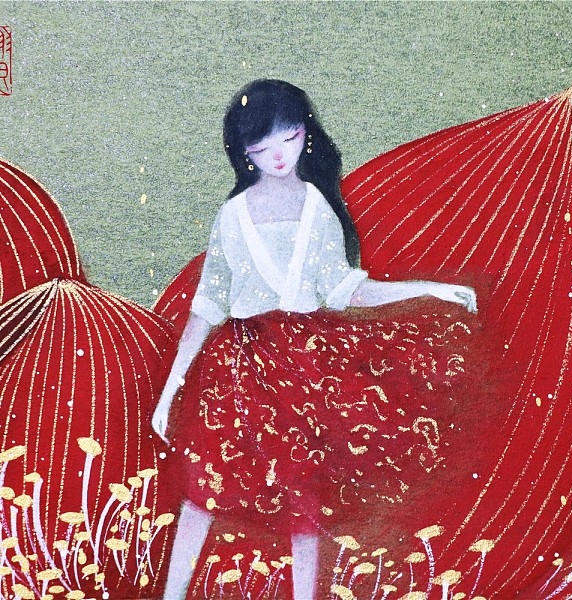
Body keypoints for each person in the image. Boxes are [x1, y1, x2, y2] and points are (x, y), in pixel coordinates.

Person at [151, 79, 477, 600]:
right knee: (204, 490)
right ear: (245, 152)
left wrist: (431, 289)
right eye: (263, 145)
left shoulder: (318, 208)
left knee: (306, 501)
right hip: (237, 367)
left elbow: (347, 291)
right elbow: (207, 306)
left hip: (307, 366)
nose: (279, 154)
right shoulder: (232, 216)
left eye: (290, 137)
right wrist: (169, 392)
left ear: (307, 135)